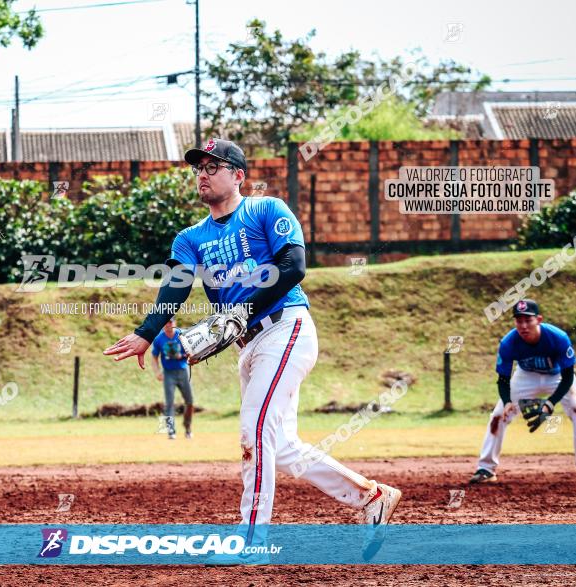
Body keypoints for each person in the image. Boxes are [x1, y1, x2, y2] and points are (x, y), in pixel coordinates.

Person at [104, 138, 401, 563]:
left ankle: (252, 543)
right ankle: (372, 498)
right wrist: (146, 332)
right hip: (247, 342)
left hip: (286, 329)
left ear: (238, 175)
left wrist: (242, 309)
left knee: (253, 433)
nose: (202, 174)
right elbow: (175, 286)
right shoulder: (191, 238)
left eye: (213, 166)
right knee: (280, 447)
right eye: (198, 168)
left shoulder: (267, 209)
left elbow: (294, 266)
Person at [470, 299, 576, 483]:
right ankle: (486, 469)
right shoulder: (508, 342)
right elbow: (503, 380)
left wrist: (550, 403)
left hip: (557, 376)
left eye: (528, 320)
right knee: (499, 415)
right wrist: (507, 402)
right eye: (518, 320)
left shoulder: (558, 337)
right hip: (525, 376)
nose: (523, 325)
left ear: (538, 319)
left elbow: (568, 377)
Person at [150, 318, 195, 439]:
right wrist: (157, 372)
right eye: (165, 322)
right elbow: (154, 357)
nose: (168, 325)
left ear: (174, 323)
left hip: (183, 371)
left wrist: (184, 356)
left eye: (170, 322)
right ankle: (171, 431)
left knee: (190, 401)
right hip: (168, 373)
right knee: (169, 403)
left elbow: (193, 350)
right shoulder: (159, 339)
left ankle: (188, 427)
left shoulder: (182, 335)